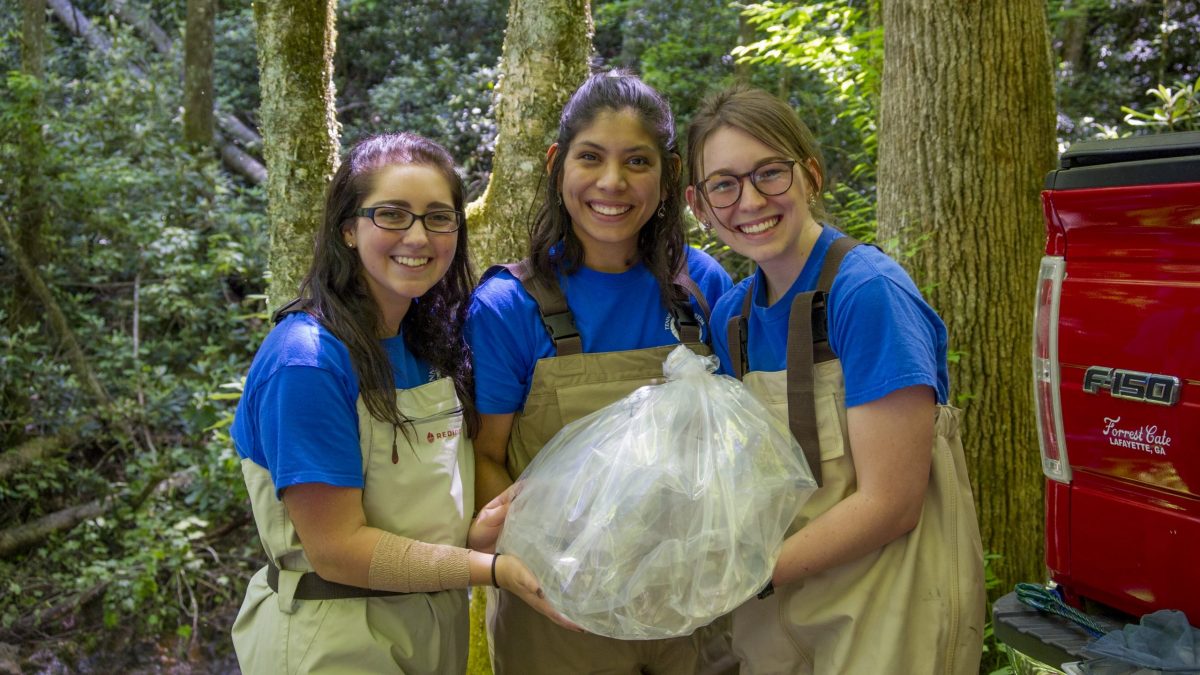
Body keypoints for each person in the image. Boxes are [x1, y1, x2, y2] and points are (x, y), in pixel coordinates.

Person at [229, 132, 567, 674]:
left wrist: (477, 531)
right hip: (335, 639)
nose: (418, 235)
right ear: (347, 228)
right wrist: (493, 569)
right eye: (392, 214)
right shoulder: (307, 361)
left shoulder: (430, 343)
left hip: (432, 627)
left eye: (438, 217)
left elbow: (419, 508)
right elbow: (337, 548)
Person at [684, 86, 986, 674]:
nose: (749, 200)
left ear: (810, 176)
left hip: (887, 606)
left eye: (769, 173)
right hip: (783, 615)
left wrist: (747, 577)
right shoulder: (733, 318)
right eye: (724, 184)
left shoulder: (868, 292)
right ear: (700, 205)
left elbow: (891, 502)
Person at [466, 70, 733, 674]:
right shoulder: (510, 307)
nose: (612, 182)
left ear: (667, 176)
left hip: (691, 598)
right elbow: (487, 455)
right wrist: (525, 570)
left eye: (637, 161)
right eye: (591, 157)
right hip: (559, 611)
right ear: (559, 163)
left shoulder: (702, 288)